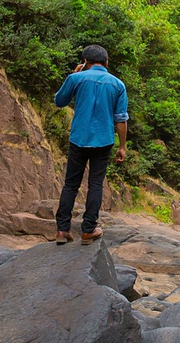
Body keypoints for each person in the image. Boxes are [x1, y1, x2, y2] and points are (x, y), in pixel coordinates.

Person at [54, 45, 128, 245]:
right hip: (104, 141)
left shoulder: (76, 79)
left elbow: (59, 101)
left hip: (79, 138)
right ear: (106, 63)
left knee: (71, 184)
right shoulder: (118, 85)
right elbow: (121, 119)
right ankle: (88, 230)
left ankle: (62, 231)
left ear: (85, 62)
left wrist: (72, 76)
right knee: (95, 184)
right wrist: (122, 146)